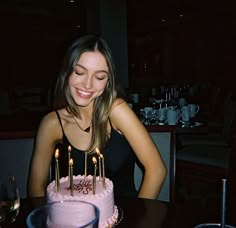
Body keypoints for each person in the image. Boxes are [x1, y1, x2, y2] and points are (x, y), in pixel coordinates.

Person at [28, 34, 166, 199]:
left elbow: (157, 169)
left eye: (99, 77)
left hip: (125, 215)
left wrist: (142, 217)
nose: (87, 84)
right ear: (67, 72)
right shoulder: (51, 124)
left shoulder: (117, 110)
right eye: (80, 72)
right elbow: (36, 188)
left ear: (108, 81)